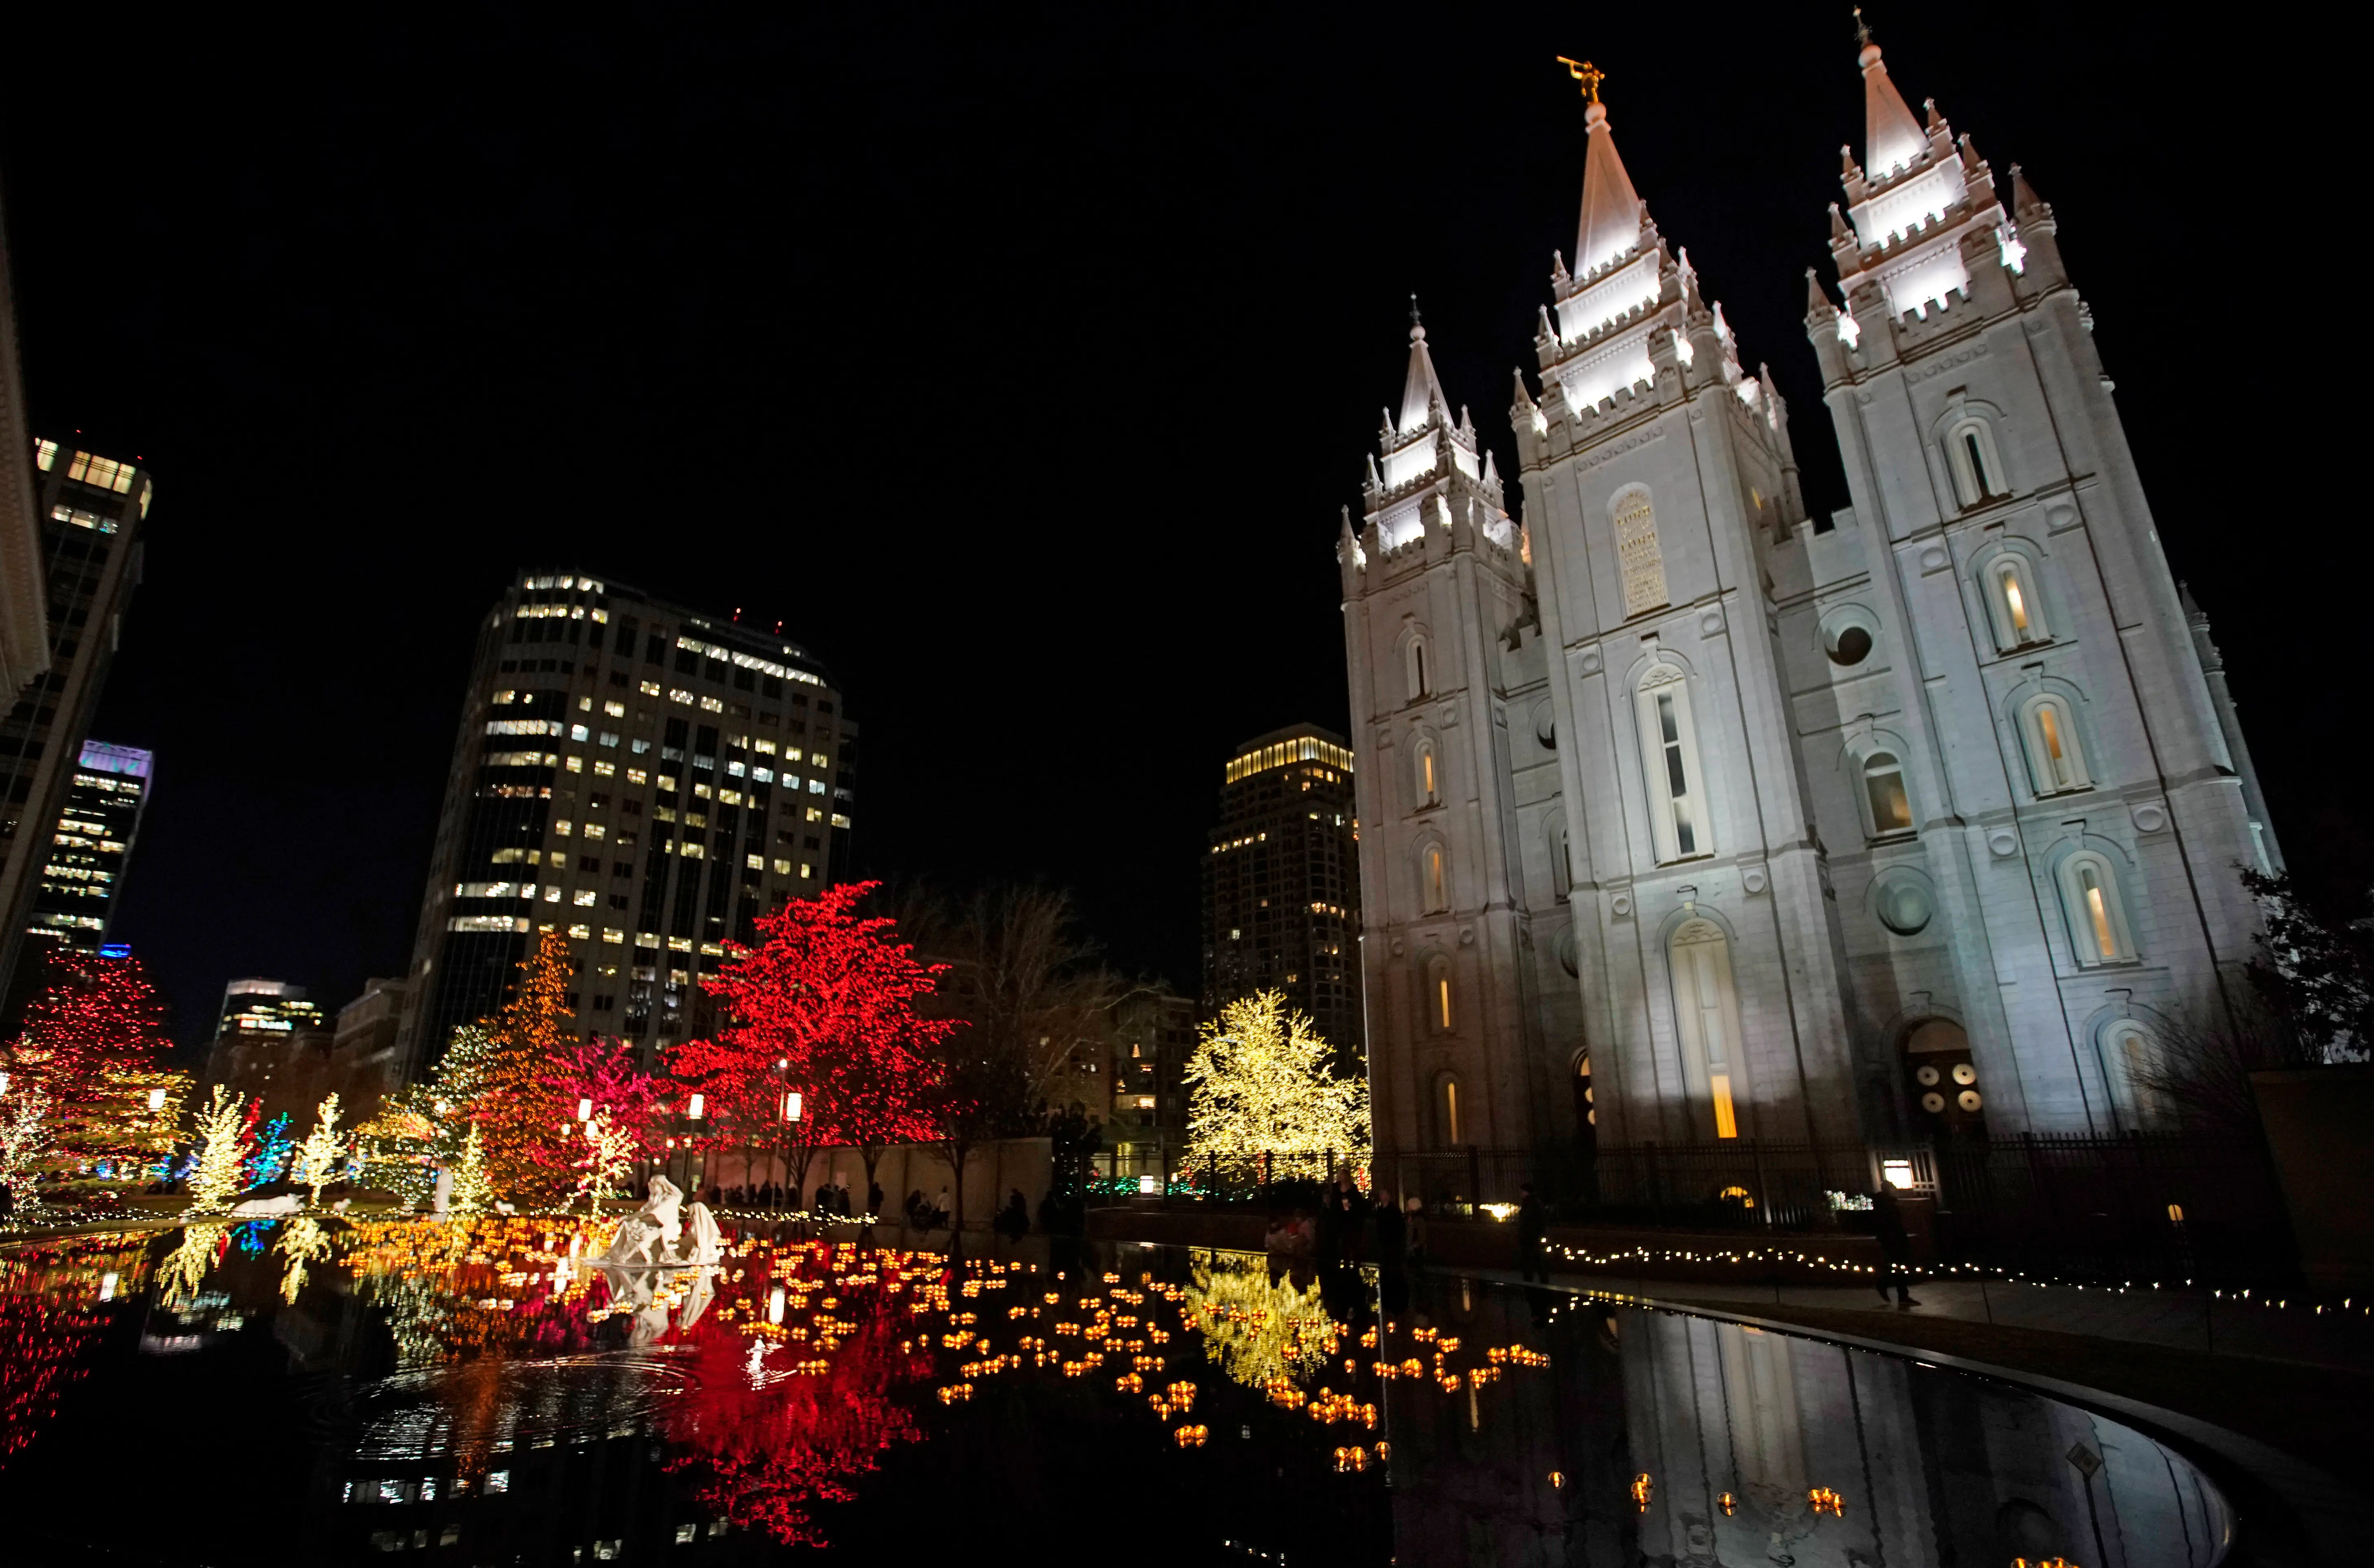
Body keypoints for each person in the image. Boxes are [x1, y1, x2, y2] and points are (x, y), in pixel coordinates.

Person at [1873, 1184, 1921, 1308]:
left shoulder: (1885, 1205)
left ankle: (1900, 1293)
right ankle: (1887, 1286)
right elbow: (1893, 1225)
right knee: (1899, 1266)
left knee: (1897, 1267)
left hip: (1891, 1240)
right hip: (1894, 1241)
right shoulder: (1888, 1206)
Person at [1515, 1181, 1549, 1284]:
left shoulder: (1531, 1204)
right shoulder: (1532, 1203)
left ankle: (1532, 1279)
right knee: (1534, 1259)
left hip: (1530, 1237)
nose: (1520, 1194)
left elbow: (1530, 1220)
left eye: (1522, 1191)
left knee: (1532, 1259)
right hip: (1530, 1236)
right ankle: (1538, 1279)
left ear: (1526, 1192)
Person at [1403, 1194, 1429, 1271]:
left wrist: (1413, 1247)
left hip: (1416, 1251)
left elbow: (1422, 1237)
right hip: (1414, 1249)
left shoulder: (1418, 1219)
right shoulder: (1413, 1217)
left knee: (1415, 1270)